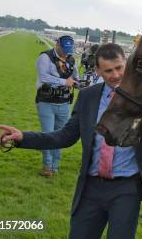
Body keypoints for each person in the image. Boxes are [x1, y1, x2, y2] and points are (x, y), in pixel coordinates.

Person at [0, 43, 142, 239]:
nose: (116, 75)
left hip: (127, 188)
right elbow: (65, 136)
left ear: (126, 63)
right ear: (98, 70)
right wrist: (23, 138)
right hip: (91, 187)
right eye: (108, 70)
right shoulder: (88, 97)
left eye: (119, 68)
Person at [34, 34, 80, 177]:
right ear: (57, 45)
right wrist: (63, 82)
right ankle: (46, 166)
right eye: (64, 49)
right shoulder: (45, 58)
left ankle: (55, 166)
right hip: (46, 101)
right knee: (48, 135)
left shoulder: (71, 59)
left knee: (60, 136)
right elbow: (43, 76)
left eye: (69, 49)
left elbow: (75, 78)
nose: (66, 52)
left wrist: (80, 84)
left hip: (64, 103)